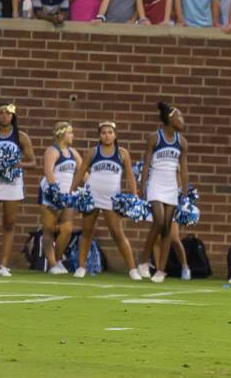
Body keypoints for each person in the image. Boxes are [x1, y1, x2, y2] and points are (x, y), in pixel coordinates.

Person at [70, 120, 142, 280]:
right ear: (99, 136)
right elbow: (81, 172)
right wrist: (72, 191)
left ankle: (132, 269)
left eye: (110, 132)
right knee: (87, 231)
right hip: (92, 196)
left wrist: (134, 195)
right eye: (103, 133)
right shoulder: (93, 152)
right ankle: (81, 267)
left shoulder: (122, 153)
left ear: (115, 135)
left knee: (117, 233)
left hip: (111, 198)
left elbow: (130, 176)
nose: (107, 135)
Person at [133, 103, 188, 283]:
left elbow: (184, 168)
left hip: (172, 186)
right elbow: (147, 163)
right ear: (170, 119)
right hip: (156, 183)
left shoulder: (181, 141)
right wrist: (142, 186)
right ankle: (143, 261)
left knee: (166, 228)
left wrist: (185, 191)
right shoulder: (154, 138)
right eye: (179, 117)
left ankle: (161, 270)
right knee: (158, 221)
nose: (182, 120)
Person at [0, 103, 35, 277]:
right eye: (1, 113)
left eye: (8, 113)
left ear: (13, 116)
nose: (4, 116)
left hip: (13, 183)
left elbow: (32, 162)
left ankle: (4, 265)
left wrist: (18, 164)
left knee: (9, 223)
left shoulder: (21, 137)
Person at [39, 121, 77, 275]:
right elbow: (48, 172)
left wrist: (90, 186)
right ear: (62, 134)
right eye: (70, 132)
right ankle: (52, 264)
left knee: (67, 229)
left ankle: (58, 259)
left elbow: (82, 171)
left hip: (67, 196)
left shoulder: (73, 152)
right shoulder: (52, 150)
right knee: (48, 228)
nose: (72, 135)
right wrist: (55, 192)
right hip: (50, 194)